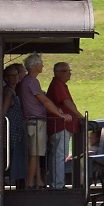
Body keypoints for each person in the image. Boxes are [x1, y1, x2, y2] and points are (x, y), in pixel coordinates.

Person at [17, 53, 72, 189]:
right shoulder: (32, 81)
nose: (43, 65)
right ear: (35, 66)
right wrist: (60, 114)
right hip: (36, 122)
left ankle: (38, 181)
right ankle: (30, 183)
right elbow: (44, 100)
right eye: (41, 63)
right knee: (35, 154)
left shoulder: (27, 81)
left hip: (32, 122)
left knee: (36, 154)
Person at [46, 61, 82, 189]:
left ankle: (56, 183)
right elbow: (65, 101)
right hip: (61, 126)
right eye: (67, 71)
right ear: (58, 73)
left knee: (58, 155)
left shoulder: (58, 84)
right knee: (59, 155)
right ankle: (57, 185)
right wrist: (79, 115)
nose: (69, 74)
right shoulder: (58, 84)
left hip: (60, 126)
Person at [2, 63, 27, 189]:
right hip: (12, 131)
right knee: (16, 156)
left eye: (16, 74)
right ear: (6, 78)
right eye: (11, 76)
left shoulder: (12, 90)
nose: (15, 77)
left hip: (15, 129)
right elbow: (3, 112)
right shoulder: (9, 92)